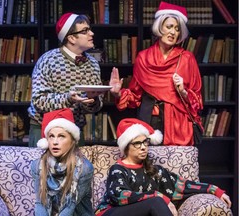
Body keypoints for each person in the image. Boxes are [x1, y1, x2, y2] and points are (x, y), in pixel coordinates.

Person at [109, 1, 203, 146]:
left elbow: (198, 100)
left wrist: (184, 91)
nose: (173, 32)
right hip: (149, 119)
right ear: (160, 27)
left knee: (176, 166)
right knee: (149, 165)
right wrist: (118, 93)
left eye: (177, 29)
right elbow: (135, 96)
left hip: (178, 124)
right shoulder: (143, 57)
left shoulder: (187, 59)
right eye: (169, 27)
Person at [95, 118, 232, 216]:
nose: (143, 147)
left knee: (156, 203)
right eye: (137, 143)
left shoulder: (155, 170)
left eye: (145, 142)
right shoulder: (118, 169)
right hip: (111, 212)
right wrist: (159, 197)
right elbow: (120, 196)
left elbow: (183, 186)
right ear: (126, 147)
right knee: (156, 202)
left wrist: (215, 190)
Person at [28, 12, 104, 147]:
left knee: (77, 168)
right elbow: (38, 100)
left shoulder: (92, 64)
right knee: (41, 168)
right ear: (72, 38)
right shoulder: (48, 60)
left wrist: (92, 99)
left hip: (74, 130)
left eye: (90, 29)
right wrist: (68, 99)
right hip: (45, 130)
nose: (91, 33)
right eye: (85, 31)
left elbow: (94, 108)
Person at [31, 108, 94, 216]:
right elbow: (40, 202)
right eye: (51, 136)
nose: (55, 142)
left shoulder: (84, 168)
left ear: (72, 141)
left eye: (61, 136)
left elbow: (69, 206)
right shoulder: (37, 165)